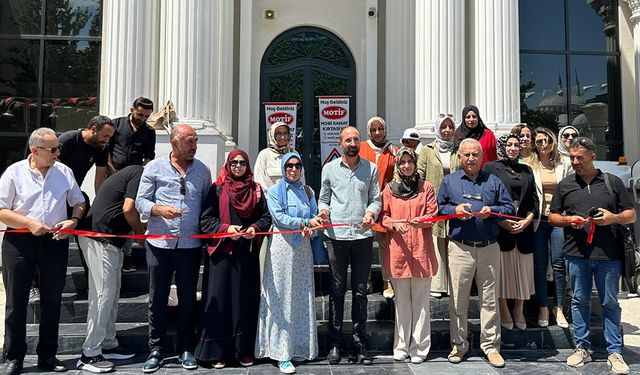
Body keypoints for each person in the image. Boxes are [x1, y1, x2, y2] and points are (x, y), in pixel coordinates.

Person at [0, 127, 86, 374]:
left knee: (52, 300)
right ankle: (13, 356)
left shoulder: (64, 172)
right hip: (19, 241)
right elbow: (1, 210)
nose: (58, 153)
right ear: (35, 150)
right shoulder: (14, 173)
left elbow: (78, 202)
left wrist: (74, 221)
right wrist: (28, 223)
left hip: (54, 241)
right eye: (53, 149)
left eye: (58, 148)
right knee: (17, 302)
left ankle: (48, 355)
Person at [548, 137, 636, 375]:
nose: (575, 162)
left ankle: (615, 350)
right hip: (576, 254)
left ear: (592, 157)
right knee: (579, 301)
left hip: (609, 255)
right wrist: (568, 220)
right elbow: (552, 217)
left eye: (580, 158)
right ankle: (581, 347)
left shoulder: (612, 182)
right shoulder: (566, 185)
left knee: (609, 303)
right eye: (572, 157)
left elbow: (631, 215)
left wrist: (612, 218)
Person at [135, 125, 211, 373]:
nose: (194, 146)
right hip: (160, 243)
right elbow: (140, 201)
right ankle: (155, 349)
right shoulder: (154, 167)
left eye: (196, 141)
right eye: (190, 141)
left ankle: (185, 347)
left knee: (188, 298)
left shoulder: (202, 170)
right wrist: (158, 209)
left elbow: (208, 205)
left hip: (190, 245)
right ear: (174, 143)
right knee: (157, 297)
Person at [437, 138, 514, 368]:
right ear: (459, 157)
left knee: (489, 300)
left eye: (475, 155)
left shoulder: (494, 181)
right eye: (467, 154)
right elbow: (439, 208)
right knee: (458, 300)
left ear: (482, 158)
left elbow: (509, 208)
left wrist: (494, 211)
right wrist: (454, 210)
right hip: (460, 247)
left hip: (489, 247)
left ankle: (491, 347)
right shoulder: (449, 181)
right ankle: (458, 345)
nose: (471, 158)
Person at [196, 150, 272, 369]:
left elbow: (265, 217)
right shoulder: (217, 189)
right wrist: (226, 229)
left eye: (242, 163)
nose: (238, 166)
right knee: (220, 301)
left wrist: (254, 229)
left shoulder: (256, 190)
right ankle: (216, 352)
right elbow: (206, 221)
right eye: (234, 163)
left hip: (245, 255)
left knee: (243, 302)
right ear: (228, 165)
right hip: (221, 255)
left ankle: (242, 350)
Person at [318, 125, 381, 365]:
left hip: (362, 238)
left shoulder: (371, 168)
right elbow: (323, 199)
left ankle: (359, 341)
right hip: (337, 237)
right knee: (336, 291)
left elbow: (375, 199)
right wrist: (323, 212)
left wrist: (371, 212)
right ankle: (335, 343)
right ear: (340, 143)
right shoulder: (330, 169)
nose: (352, 143)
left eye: (356, 139)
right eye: (348, 140)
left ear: (360, 142)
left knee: (360, 291)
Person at [255, 152, 322, 374]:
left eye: (297, 165)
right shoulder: (275, 192)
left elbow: (314, 214)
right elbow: (279, 218)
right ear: (283, 168)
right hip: (282, 247)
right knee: (282, 296)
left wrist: (314, 225)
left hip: (302, 247)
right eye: (289, 166)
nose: (293, 169)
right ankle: (280, 352)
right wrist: (305, 222)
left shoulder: (307, 190)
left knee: (301, 296)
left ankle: (299, 346)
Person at [76, 165, 145, 373]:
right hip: (99, 238)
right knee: (102, 295)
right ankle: (89, 353)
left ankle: (107, 343)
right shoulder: (139, 173)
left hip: (109, 241)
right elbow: (128, 209)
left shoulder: (133, 174)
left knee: (112, 293)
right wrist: (140, 233)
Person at [380, 147, 438, 364]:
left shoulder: (426, 188)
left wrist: (421, 221)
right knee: (402, 302)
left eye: (409, 161)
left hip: (422, 252)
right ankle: (402, 346)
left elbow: (433, 214)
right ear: (397, 164)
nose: (406, 165)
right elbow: (383, 217)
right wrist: (394, 225)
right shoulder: (389, 189)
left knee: (421, 303)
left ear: (415, 163)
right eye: (402, 162)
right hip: (399, 253)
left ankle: (420, 348)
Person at [483, 134, 538, 331]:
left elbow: (534, 201)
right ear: (502, 147)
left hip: (523, 231)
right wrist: (501, 221)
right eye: (509, 144)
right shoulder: (491, 168)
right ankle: (504, 308)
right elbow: (487, 198)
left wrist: (527, 220)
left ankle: (519, 309)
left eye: (516, 145)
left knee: (523, 273)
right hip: (501, 231)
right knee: (503, 273)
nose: (513, 148)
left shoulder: (527, 170)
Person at [523, 127, 573, 328]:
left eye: (546, 141)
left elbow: (571, 189)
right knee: (540, 264)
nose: (542, 145)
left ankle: (559, 307)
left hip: (558, 217)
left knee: (559, 262)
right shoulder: (529, 164)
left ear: (553, 142)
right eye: (538, 142)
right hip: (539, 220)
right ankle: (543, 307)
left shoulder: (565, 163)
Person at [109, 96, 156, 273]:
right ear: (132, 110)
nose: (143, 119)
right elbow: (107, 149)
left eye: (146, 116)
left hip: (134, 179)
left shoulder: (149, 132)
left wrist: (140, 172)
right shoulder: (116, 125)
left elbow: (149, 156)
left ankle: (127, 255)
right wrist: (111, 170)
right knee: (114, 212)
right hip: (113, 175)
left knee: (130, 212)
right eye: (140, 114)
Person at [417, 113, 460, 298]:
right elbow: (420, 174)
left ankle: (453, 285)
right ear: (437, 129)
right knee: (436, 242)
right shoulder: (428, 149)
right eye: (443, 127)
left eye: (450, 127)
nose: (447, 130)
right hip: (433, 202)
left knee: (454, 243)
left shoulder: (460, 149)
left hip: (456, 203)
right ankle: (437, 284)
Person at [359, 116, 396, 299]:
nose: (377, 133)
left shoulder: (392, 150)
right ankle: (365, 280)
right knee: (364, 243)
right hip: (363, 203)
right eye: (373, 130)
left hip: (384, 204)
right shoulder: (362, 148)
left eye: (380, 129)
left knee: (385, 244)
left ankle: (387, 280)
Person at [58, 115, 115, 192]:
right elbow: (50, 165)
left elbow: (100, 178)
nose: (107, 140)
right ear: (94, 129)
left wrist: (99, 200)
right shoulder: (68, 139)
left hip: (75, 191)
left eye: (109, 137)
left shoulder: (102, 147)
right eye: (105, 136)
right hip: (56, 188)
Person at [253, 121, 304, 189]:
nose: (282, 137)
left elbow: (301, 179)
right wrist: (272, 197)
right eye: (278, 133)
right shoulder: (264, 155)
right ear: (272, 135)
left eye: (285, 133)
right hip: (271, 198)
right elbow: (260, 181)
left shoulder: (294, 154)